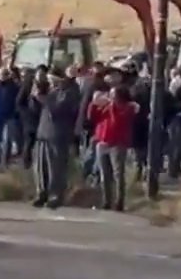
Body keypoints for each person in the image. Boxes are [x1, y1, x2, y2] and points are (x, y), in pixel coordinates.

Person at [30, 72, 80, 209]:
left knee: (56, 168)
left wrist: (41, 98)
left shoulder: (70, 93)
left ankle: (55, 195)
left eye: (53, 80)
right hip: (43, 133)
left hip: (58, 135)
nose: (51, 83)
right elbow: (35, 109)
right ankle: (42, 192)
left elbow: (58, 109)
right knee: (40, 167)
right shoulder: (52, 92)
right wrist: (35, 96)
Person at [86, 84, 138, 211]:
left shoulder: (127, 108)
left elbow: (117, 120)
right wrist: (94, 103)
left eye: (113, 94)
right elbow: (92, 117)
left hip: (118, 144)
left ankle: (119, 202)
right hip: (102, 143)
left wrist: (111, 105)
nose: (110, 96)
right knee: (104, 175)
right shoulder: (106, 107)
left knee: (118, 174)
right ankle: (106, 201)